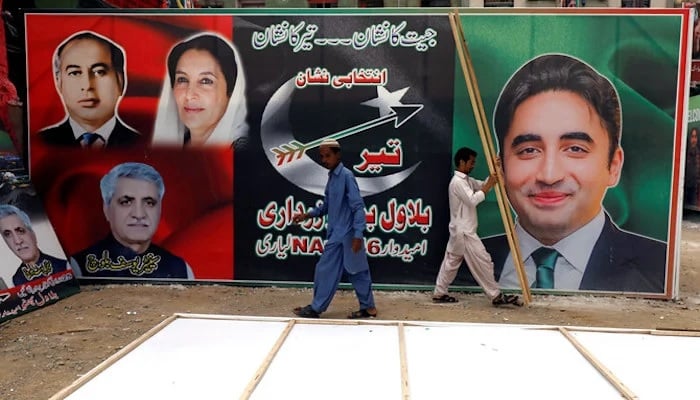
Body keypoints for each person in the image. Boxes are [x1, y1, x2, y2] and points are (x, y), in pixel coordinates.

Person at [486, 53, 667, 293]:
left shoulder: (659, 270)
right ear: (500, 166)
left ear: (614, 165)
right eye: (529, 150)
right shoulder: (461, 263)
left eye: (575, 149)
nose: (549, 175)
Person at [290, 139, 377, 319]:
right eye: (322, 156)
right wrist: (307, 215)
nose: (324, 160)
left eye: (327, 156)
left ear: (338, 154)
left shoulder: (346, 176)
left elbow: (358, 206)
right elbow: (327, 206)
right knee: (353, 271)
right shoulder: (332, 178)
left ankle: (316, 308)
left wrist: (358, 234)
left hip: (347, 235)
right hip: (339, 234)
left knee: (333, 270)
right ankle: (368, 308)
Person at [70, 162, 194, 280]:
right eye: (126, 202)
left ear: (160, 209)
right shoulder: (78, 267)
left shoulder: (181, 270)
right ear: (106, 210)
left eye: (149, 203)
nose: (139, 214)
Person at [431, 147, 522, 306]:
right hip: (464, 232)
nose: (473, 166)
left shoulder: (465, 180)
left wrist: (497, 170)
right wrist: (488, 186)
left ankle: (439, 293)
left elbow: (483, 185)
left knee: (451, 262)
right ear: (462, 162)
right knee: (483, 261)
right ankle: (496, 295)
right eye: (471, 162)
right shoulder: (457, 182)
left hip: (460, 230)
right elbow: (473, 200)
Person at [38, 31, 142, 148]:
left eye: (99, 72)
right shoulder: (40, 143)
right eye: (75, 73)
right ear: (59, 82)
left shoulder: (141, 143)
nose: (87, 86)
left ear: (120, 81)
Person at [152, 32, 248, 148]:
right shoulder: (173, 146)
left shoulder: (242, 153)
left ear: (231, 92)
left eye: (206, 81)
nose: (189, 94)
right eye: (182, 79)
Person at [0, 204, 70, 287]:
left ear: (33, 234)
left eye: (20, 231)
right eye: (8, 234)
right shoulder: (15, 282)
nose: (18, 241)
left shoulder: (65, 266)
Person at [685, 127, 699, 208]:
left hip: (695, 192)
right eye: (692, 137)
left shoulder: (698, 154)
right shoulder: (685, 153)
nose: (694, 140)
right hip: (685, 190)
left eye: (695, 137)